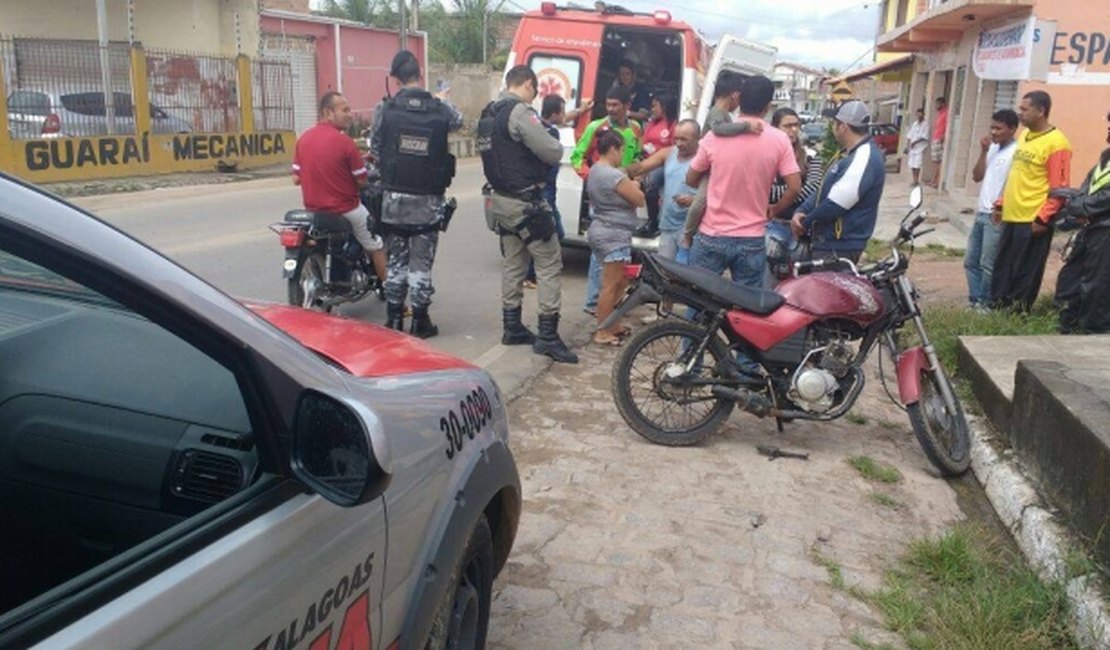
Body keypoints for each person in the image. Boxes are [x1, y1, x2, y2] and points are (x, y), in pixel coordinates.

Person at [479, 64, 577, 363]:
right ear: (529, 86)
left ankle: (512, 327)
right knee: (549, 263)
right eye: (533, 92)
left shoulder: (488, 115)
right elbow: (552, 151)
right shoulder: (520, 113)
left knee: (514, 264)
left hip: (500, 202)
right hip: (526, 203)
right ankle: (547, 335)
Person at [369, 50, 463, 338]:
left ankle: (395, 318)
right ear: (420, 73)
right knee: (421, 263)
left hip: (393, 201)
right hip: (428, 201)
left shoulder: (383, 109)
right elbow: (459, 122)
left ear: (395, 78)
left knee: (396, 261)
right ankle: (420, 321)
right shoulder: (442, 110)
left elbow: (374, 149)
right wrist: (443, 100)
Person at [685, 75, 800, 290]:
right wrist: (775, 208)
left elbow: (690, 179)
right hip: (752, 238)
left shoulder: (715, 135)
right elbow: (794, 187)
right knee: (747, 307)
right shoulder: (779, 139)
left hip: (712, 234)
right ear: (768, 106)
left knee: (699, 301)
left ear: (740, 99)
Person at [291, 91, 387, 287]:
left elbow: (295, 178)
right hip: (346, 210)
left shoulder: (303, 139)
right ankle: (396, 302)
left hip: (313, 210)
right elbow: (361, 182)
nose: (350, 114)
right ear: (328, 113)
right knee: (376, 244)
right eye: (344, 110)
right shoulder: (345, 143)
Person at [990, 90, 1072, 312]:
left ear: (1041, 111)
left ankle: (1017, 313)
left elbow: (1060, 189)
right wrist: (1001, 204)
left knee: (1025, 271)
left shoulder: (1057, 143)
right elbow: (1016, 175)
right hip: (1012, 216)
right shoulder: (1025, 136)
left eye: (1025, 109)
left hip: (1033, 221)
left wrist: (1043, 218)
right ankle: (998, 310)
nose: (1020, 113)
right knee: (1003, 267)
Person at [571, 84, 643, 316]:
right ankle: (595, 302)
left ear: (627, 106)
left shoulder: (635, 129)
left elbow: (639, 157)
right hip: (604, 197)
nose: (610, 109)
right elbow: (577, 157)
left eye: (615, 105)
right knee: (601, 254)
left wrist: (636, 177)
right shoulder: (596, 127)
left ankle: (609, 304)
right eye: (608, 104)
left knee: (618, 256)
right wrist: (593, 178)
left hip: (625, 195)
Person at [791, 100, 886, 264]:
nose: (832, 127)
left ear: (843, 126)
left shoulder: (864, 158)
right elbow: (823, 189)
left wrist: (804, 224)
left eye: (834, 123)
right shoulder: (848, 154)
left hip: (840, 246)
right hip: (830, 242)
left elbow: (835, 204)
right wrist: (802, 209)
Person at [588, 130, 646, 345]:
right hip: (612, 234)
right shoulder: (612, 176)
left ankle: (613, 324)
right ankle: (603, 330)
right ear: (613, 149)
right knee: (611, 285)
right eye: (621, 150)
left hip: (607, 231)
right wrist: (636, 186)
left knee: (621, 281)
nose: (622, 155)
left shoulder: (597, 170)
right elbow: (639, 199)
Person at [1055, 109, 1110, 334]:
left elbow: (1102, 199)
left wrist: (1079, 206)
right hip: (1092, 228)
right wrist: (1078, 204)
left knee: (1097, 284)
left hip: (1105, 232)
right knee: (1070, 278)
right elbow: (1085, 189)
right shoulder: (1105, 157)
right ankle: (1067, 324)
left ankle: (1094, 332)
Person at [964, 109, 1018, 309]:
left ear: (1012, 129)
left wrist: (1001, 208)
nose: (993, 132)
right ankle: (975, 300)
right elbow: (977, 176)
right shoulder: (993, 149)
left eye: (998, 128)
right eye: (992, 127)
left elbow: (1012, 184)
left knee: (989, 264)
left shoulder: (1016, 152)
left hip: (996, 216)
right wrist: (984, 151)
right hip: (981, 213)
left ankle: (986, 304)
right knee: (971, 261)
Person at [764, 107, 824, 280]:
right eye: (787, 126)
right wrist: (794, 189)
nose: (793, 130)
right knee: (769, 285)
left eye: (796, 125)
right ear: (775, 128)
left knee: (798, 284)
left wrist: (790, 192)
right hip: (772, 227)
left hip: (801, 230)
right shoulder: (767, 157)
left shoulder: (811, 156)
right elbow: (764, 190)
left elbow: (814, 188)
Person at [522, 94, 573, 289]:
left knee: (543, 232)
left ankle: (532, 273)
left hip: (537, 187)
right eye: (562, 112)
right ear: (555, 114)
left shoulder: (534, 126)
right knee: (552, 232)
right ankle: (533, 275)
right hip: (546, 190)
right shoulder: (551, 133)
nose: (564, 115)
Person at [636, 93, 678, 238]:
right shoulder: (651, 124)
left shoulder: (673, 124)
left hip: (664, 163)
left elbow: (675, 148)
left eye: (655, 106)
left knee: (651, 181)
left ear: (664, 107)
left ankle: (653, 222)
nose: (652, 109)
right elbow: (643, 142)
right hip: (648, 160)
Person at [904, 108, 929, 186]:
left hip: (920, 148)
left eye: (920, 114)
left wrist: (915, 142)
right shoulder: (914, 124)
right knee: (912, 164)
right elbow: (909, 136)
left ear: (923, 114)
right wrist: (907, 146)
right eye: (917, 114)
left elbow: (924, 137)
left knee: (917, 164)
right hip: (912, 148)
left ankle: (916, 180)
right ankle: (914, 179)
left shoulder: (926, 124)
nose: (919, 115)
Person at [927, 96, 948, 188]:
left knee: (938, 161)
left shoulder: (946, 113)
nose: (936, 106)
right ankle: (934, 180)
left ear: (942, 104)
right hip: (936, 138)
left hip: (939, 139)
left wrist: (942, 137)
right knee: (934, 161)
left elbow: (947, 126)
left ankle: (936, 181)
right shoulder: (939, 114)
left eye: (937, 104)